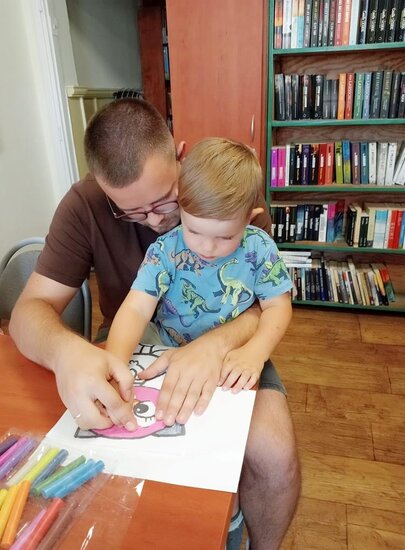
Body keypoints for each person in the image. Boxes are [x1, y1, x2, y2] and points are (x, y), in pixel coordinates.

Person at [10, 98, 300, 549]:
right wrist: (71, 353)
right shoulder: (91, 209)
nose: (154, 220)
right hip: (146, 341)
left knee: (274, 453)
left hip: (234, 340)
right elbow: (37, 311)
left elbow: (268, 303)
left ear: (180, 155)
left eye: (165, 200)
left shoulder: (227, 187)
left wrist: (219, 346)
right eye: (130, 212)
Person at [106, 137, 293, 402]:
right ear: (180, 207)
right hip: (165, 346)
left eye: (225, 236)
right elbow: (136, 308)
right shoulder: (166, 250)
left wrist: (256, 351)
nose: (207, 247)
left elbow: (277, 307)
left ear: (249, 218)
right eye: (193, 231)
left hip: (230, 353)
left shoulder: (260, 248)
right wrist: (114, 364)